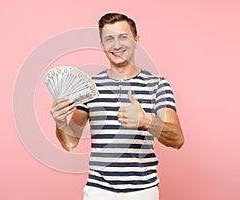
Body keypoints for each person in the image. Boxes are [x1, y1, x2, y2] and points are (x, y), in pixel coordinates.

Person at [50, 13, 184, 200]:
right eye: (109, 39)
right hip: (99, 191)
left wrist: (146, 120)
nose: (116, 45)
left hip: (143, 191)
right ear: (102, 45)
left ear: (136, 40)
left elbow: (177, 139)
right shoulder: (89, 87)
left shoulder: (158, 85)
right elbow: (70, 143)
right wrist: (60, 122)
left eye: (123, 37)